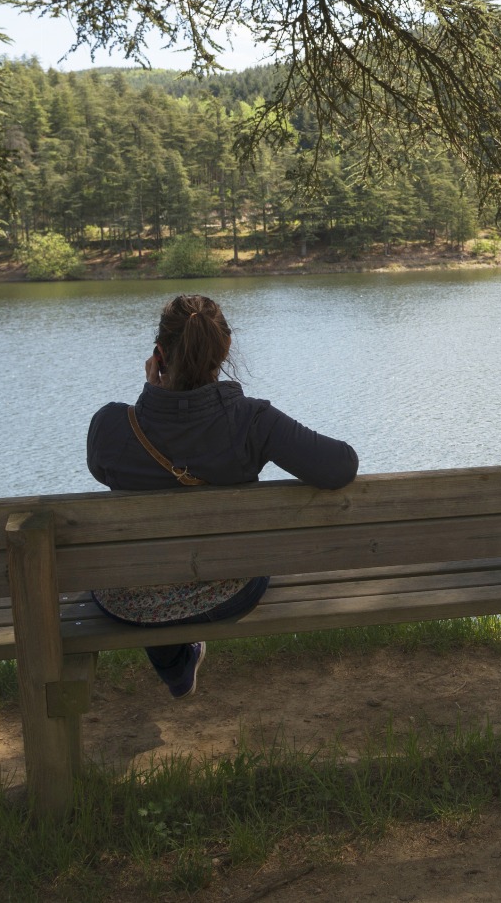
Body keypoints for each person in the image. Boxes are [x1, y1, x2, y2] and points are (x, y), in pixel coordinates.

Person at [86, 292, 358, 697]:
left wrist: (152, 396)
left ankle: (176, 669)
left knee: (151, 574)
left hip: (129, 600)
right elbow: (340, 466)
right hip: (225, 592)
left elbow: (102, 469)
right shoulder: (253, 422)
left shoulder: (109, 426)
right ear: (225, 348)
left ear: (159, 355)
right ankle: (181, 664)